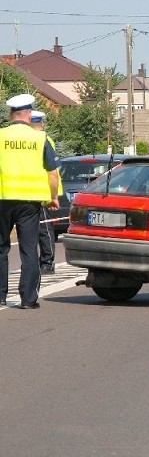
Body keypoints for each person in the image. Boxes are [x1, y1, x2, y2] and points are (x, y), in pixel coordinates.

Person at [0, 94, 60, 309]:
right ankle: (28, 299)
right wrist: (53, 196)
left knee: (1, 249)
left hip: (3, 199)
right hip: (30, 203)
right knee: (28, 250)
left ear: (10, 115)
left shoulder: (0, 136)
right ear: (28, 114)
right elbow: (52, 172)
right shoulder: (39, 138)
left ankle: (0, 295)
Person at [31, 110, 59, 274]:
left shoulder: (44, 139)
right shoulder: (42, 139)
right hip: (39, 191)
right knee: (42, 230)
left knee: (43, 230)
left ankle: (47, 262)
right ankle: (45, 262)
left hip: (39, 191)